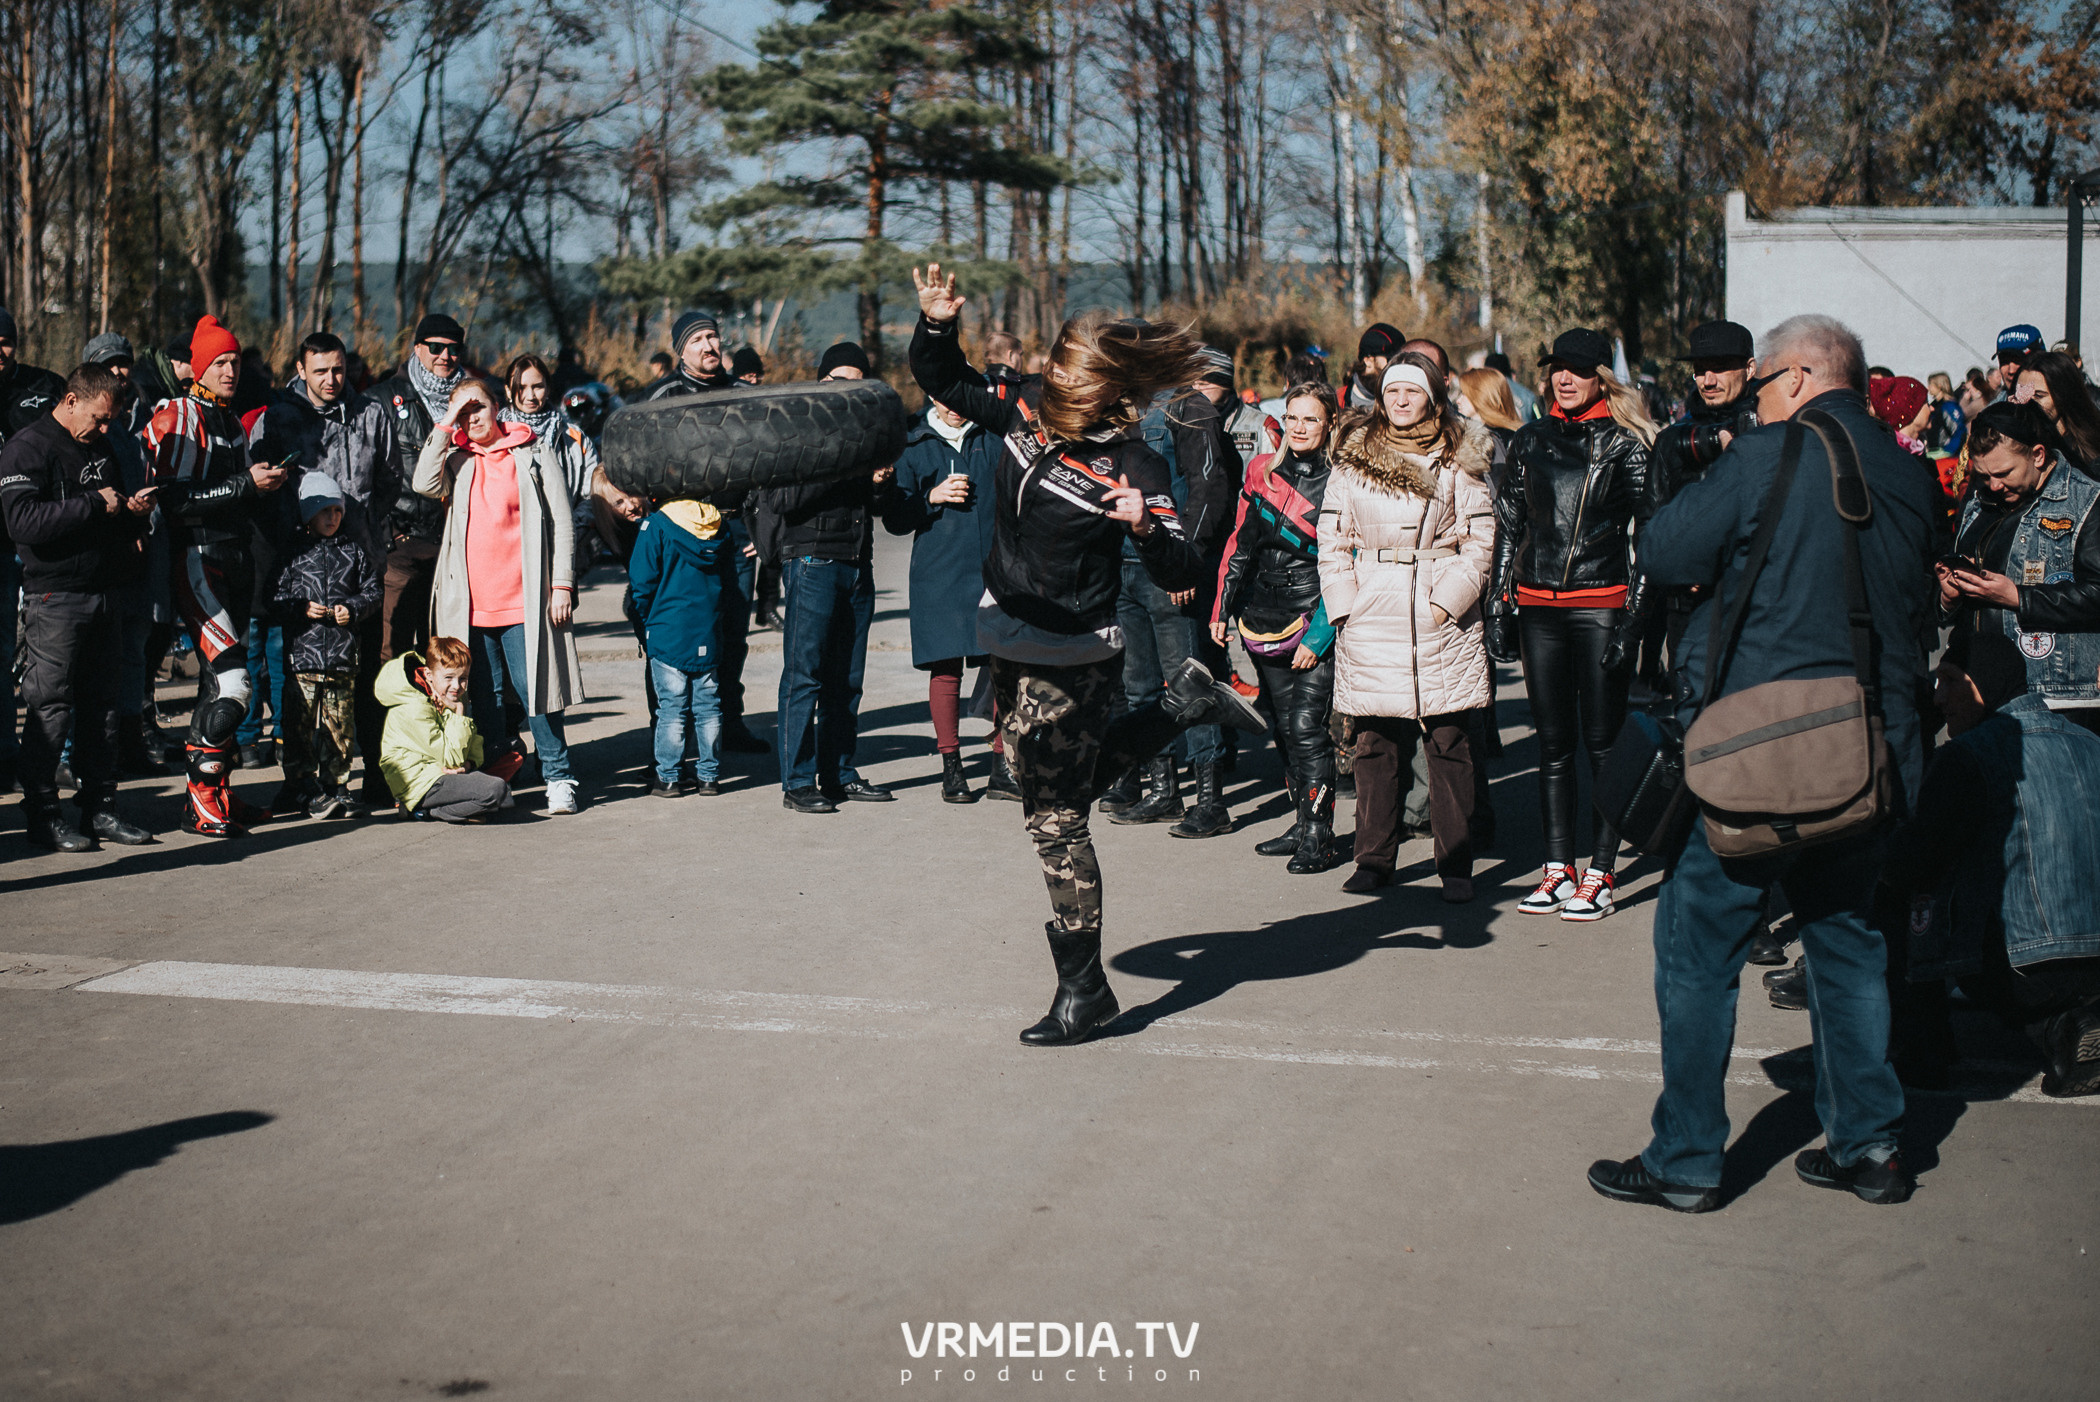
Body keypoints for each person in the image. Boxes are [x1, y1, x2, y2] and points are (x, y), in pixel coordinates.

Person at [1586, 313, 1938, 1213]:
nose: (1753, 395)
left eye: (1763, 380)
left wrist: (1729, 466)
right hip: (1880, 753)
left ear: (1797, 378)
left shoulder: (1764, 454)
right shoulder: (1908, 470)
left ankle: (1689, 1159)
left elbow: (1663, 551)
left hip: (1767, 751)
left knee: (1696, 944)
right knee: (1848, 940)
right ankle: (1870, 1148)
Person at [908, 262, 1266, 1046]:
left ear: (1103, 384)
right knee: (1053, 785)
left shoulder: (1133, 462)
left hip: (1073, 654)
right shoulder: (1023, 413)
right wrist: (937, 322)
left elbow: (1183, 569)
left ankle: (1084, 991)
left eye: (1073, 365)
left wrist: (1144, 524)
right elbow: (939, 374)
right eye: (1057, 358)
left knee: (1054, 817)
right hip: (1006, 632)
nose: (1057, 371)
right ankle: (1179, 708)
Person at [1486, 327, 1657, 922]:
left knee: (1602, 745)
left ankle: (1602, 875)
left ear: (1600, 378)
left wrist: (1634, 619)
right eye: (1558, 367)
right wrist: (1499, 599)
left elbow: (1650, 534)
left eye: (1578, 370)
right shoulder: (1531, 438)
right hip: (1538, 605)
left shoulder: (1626, 444)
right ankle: (1558, 869)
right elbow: (1509, 520)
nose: (1565, 377)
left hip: (1599, 603)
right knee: (1553, 745)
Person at [1887, 633, 2100, 1097]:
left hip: (2030, 965)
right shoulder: (2091, 742)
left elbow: (1916, 861)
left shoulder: (1969, 755)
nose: (1939, 698)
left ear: (1981, 685)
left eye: (1948, 681)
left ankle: (1924, 1046)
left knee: (1902, 887)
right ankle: (2079, 1019)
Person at [1319, 356, 1496, 899]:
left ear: (1432, 397)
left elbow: (1481, 538)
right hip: (1372, 606)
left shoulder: (1456, 457)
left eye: (1410, 392)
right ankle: (1373, 859)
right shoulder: (1353, 459)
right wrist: (1345, 605)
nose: (1399, 400)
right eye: (1390, 390)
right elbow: (1331, 536)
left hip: (1438, 610)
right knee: (1374, 741)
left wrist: (1450, 601)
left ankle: (1457, 865)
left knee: (1448, 740)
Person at [0, 362, 156, 849]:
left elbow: (107, 506)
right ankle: (44, 813)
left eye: (111, 420)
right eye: (100, 417)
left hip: (104, 591)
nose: (105, 428)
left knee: (102, 708)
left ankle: (100, 808)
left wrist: (131, 516)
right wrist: (95, 505)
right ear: (71, 401)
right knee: (50, 709)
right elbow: (23, 522)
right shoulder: (27, 448)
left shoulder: (101, 445)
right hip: (55, 597)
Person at [147, 315, 293, 836]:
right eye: (220, 363)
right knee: (235, 685)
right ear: (200, 367)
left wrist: (261, 484)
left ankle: (216, 796)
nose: (231, 370)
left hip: (235, 561)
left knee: (217, 685)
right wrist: (245, 486)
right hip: (197, 561)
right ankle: (204, 795)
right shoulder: (180, 413)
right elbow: (175, 499)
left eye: (234, 361)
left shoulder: (231, 421)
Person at [415, 379, 585, 814]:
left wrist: (561, 583)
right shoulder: (457, 458)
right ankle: (497, 775)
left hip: (524, 598)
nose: (472, 418)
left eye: (479, 408)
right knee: (483, 696)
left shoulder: (533, 451)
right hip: (470, 604)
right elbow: (421, 482)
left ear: (498, 408)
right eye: (463, 411)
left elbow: (562, 522)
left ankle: (559, 775)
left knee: (537, 691)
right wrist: (446, 422)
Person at [250, 330, 403, 806]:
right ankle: (299, 781)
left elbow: (390, 479)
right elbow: (257, 484)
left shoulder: (370, 414)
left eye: (338, 369)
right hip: (298, 570)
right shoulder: (277, 419)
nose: (332, 379)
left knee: (361, 678)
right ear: (301, 370)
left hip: (357, 564)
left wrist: (364, 531)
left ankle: (359, 778)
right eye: (321, 371)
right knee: (294, 683)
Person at [1104, 352, 1241, 835]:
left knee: (1189, 684)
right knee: (1139, 686)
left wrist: (1185, 562)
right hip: (1119, 569)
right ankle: (1163, 790)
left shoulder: (1189, 406)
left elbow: (1210, 489)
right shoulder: (1110, 409)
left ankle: (1210, 801)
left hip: (1168, 568)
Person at [756, 340, 893, 812]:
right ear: (821, 382)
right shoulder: (800, 430)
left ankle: (838, 773)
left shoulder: (871, 432)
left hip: (858, 563)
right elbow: (788, 499)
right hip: (812, 561)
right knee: (805, 675)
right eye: (840, 380)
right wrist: (844, 463)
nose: (849, 390)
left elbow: (879, 508)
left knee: (847, 680)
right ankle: (797, 781)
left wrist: (880, 480)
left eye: (859, 382)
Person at [1214, 383, 1340, 871]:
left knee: (1308, 728)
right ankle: (1302, 822)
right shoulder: (1259, 472)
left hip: (1313, 618)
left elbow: (1346, 563)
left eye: (1311, 419)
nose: (1300, 427)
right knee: (1286, 729)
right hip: (1261, 619)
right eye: (1292, 417)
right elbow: (1240, 546)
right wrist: (1220, 611)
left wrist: (1320, 634)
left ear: (1329, 423)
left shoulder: (1343, 482)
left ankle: (1319, 834)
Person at [636, 311, 767, 754]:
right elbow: (630, 457)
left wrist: (759, 528)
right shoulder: (661, 397)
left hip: (734, 531)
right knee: (672, 634)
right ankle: (667, 739)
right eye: (698, 340)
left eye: (713, 336)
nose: (710, 346)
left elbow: (771, 465)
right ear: (681, 350)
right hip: (678, 534)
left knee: (732, 633)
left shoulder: (746, 396)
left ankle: (727, 723)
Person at [1941, 401, 2100, 734]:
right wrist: (1949, 596)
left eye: (2004, 474)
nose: (1994, 486)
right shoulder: (1979, 501)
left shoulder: (2087, 501)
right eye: (1984, 476)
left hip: (2054, 696)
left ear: (2038, 455)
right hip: (1982, 693)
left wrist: (2018, 597)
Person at [884, 399, 1002, 802]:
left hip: (993, 570)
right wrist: (931, 496)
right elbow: (895, 520)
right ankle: (951, 767)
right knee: (946, 669)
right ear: (933, 398)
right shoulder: (914, 442)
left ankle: (1003, 763)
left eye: (961, 400)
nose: (955, 409)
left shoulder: (992, 436)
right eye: (945, 401)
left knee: (1002, 668)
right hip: (940, 572)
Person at [267, 474, 381, 817]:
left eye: (336, 509)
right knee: (299, 725)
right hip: (303, 656)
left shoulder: (353, 552)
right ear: (307, 515)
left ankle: (337, 786)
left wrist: (355, 608)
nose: (331, 517)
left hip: (343, 657)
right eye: (323, 511)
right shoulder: (293, 552)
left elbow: (373, 591)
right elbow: (273, 596)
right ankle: (301, 785)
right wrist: (299, 608)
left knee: (340, 726)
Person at [0, 306, 71, 795]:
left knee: (31, 659)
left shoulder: (43, 388)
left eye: (5, 341)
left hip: (31, 544)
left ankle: (20, 756)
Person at [371, 313, 470, 665]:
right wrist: (387, 538)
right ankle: (387, 722)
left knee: (445, 656)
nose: (445, 356)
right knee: (391, 654)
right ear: (417, 348)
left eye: (454, 349)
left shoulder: (472, 399)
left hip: (452, 549)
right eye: (436, 347)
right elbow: (365, 476)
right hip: (400, 545)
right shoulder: (381, 400)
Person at [628, 496, 733, 798]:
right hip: (707, 629)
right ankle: (709, 777)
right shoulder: (719, 526)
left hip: (668, 629)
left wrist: (649, 622)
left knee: (672, 708)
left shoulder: (657, 525)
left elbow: (642, 582)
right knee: (709, 706)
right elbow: (728, 581)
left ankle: (670, 778)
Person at [374, 636, 510, 823]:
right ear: (429, 675)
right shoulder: (415, 707)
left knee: (513, 749)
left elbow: (474, 744)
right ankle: (425, 811)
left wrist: (469, 764)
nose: (457, 686)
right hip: (421, 783)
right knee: (496, 790)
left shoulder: (441, 694)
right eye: (449, 678)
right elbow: (451, 759)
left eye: (463, 678)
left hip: (445, 769)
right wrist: (459, 712)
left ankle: (468, 803)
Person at [501, 353, 602, 577]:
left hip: (558, 555)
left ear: (548, 388)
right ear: (508, 390)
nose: (530, 395)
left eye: (537, 386)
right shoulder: (494, 436)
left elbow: (591, 495)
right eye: (521, 387)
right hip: (505, 556)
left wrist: (568, 535)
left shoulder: (573, 438)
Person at [2012, 350, 2100, 473]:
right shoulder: (2009, 443)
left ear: (2063, 397)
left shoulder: (2091, 458)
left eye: (2038, 396)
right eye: (2021, 395)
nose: (2027, 403)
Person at [1994, 323, 2043, 395]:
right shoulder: (1995, 405)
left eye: (2018, 360)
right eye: (2004, 361)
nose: (2011, 371)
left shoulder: (2060, 401)